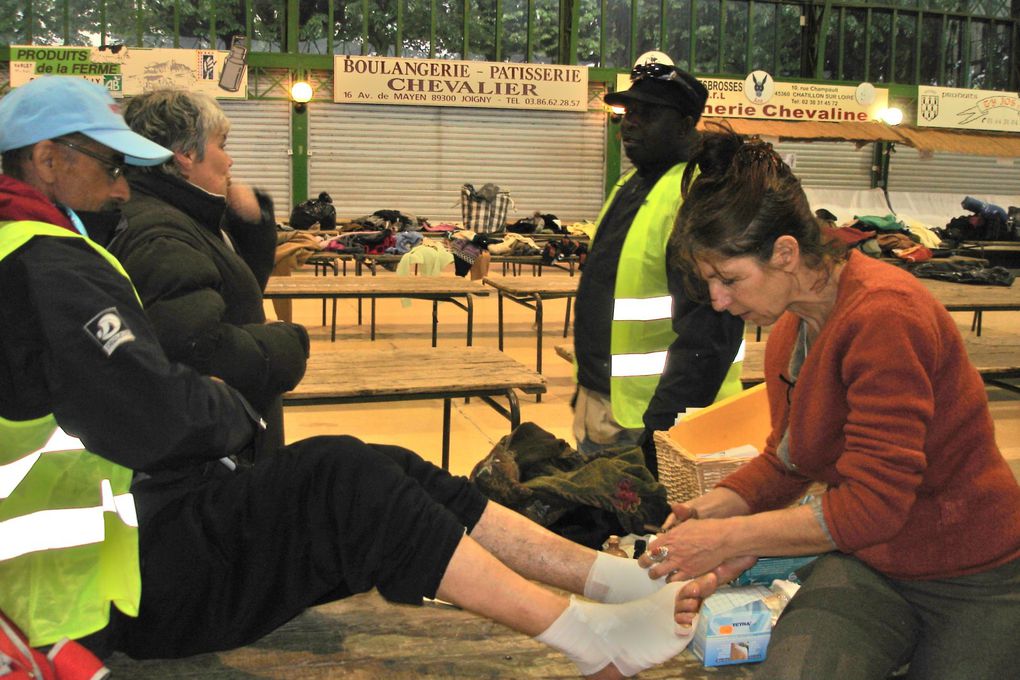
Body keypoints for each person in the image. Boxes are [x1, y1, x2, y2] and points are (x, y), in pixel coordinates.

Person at [0, 76, 752, 679]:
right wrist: (231, 408)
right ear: (47, 159)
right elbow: (157, 405)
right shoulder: (46, 264)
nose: (124, 186)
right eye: (109, 166)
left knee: (383, 465)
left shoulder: (47, 251)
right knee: (346, 480)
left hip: (115, 559)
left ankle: (614, 587)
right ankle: (597, 641)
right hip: (94, 592)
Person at [640, 127, 1020, 679]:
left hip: (975, 571)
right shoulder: (795, 326)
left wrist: (726, 539)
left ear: (786, 253)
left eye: (729, 279)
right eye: (710, 283)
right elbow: (789, 461)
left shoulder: (885, 315)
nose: (719, 302)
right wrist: (716, 506)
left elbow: (872, 506)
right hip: (874, 565)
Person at [104, 89, 308, 461]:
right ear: (184, 155)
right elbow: (196, 349)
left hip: (221, 440)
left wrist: (251, 228)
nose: (229, 161)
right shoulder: (160, 235)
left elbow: (232, 296)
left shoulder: (179, 217)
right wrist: (284, 348)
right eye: (221, 145)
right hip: (212, 453)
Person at [573, 51, 745, 473]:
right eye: (628, 111)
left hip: (652, 419)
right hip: (605, 402)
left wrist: (664, 428)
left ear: (686, 125)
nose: (630, 122)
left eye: (648, 113)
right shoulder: (632, 183)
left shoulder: (694, 196)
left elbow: (711, 330)